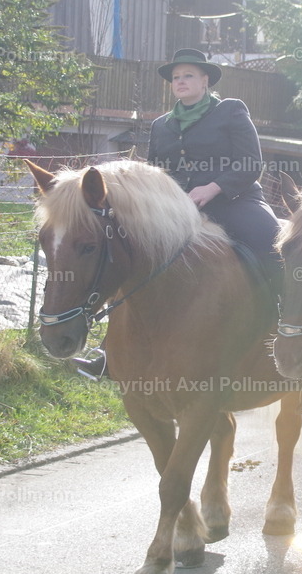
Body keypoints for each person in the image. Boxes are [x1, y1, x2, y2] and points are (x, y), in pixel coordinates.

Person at [76, 49, 282, 379]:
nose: (180, 81)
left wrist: (212, 187)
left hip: (234, 202)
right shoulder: (161, 125)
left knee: (273, 241)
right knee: (129, 254)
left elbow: (250, 164)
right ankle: (110, 348)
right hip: (178, 212)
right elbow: (158, 173)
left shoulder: (230, 111)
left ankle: (286, 326)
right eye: (176, 78)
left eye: (188, 75)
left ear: (205, 80)